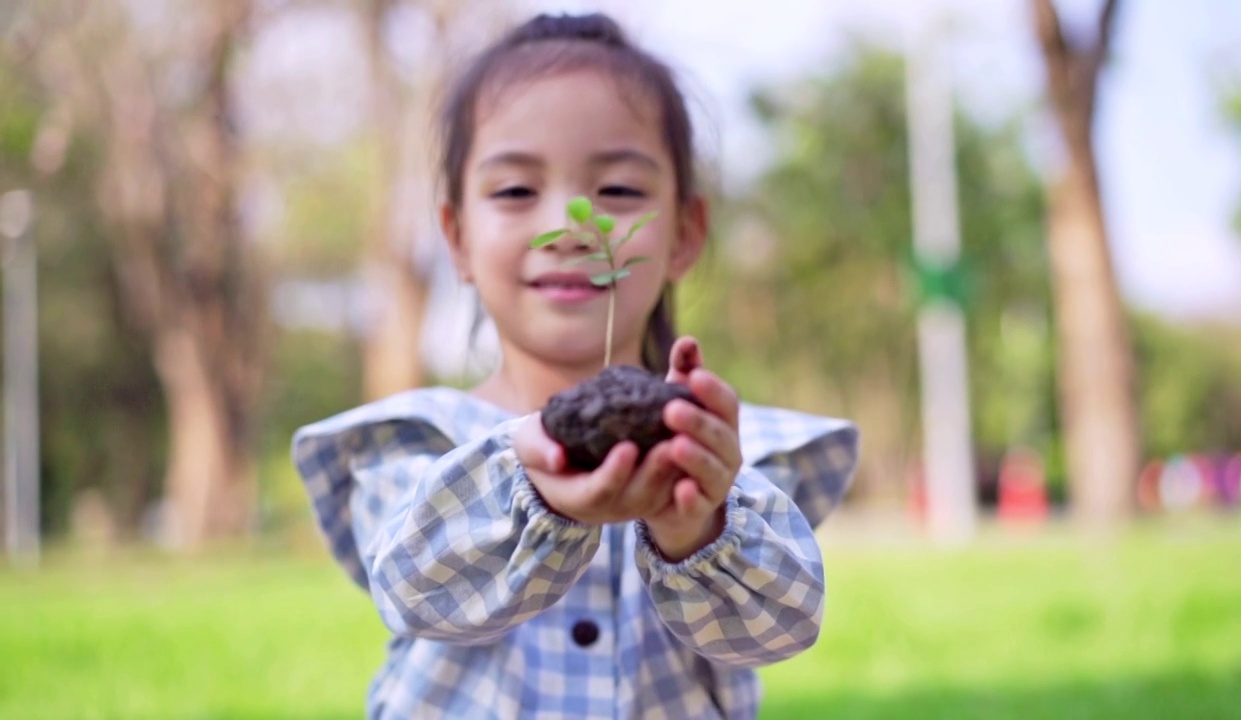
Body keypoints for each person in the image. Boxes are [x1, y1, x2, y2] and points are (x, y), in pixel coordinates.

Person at [292, 12, 859, 719]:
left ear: (685, 233)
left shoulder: (727, 454)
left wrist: (696, 527)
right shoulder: (415, 443)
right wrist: (534, 489)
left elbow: (778, 627)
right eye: (514, 192)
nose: (571, 225)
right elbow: (412, 587)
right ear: (458, 238)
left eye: (618, 191)